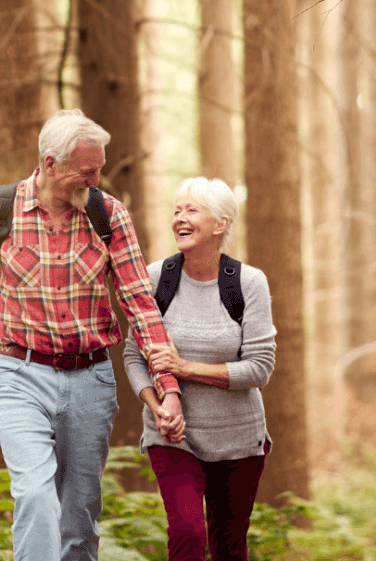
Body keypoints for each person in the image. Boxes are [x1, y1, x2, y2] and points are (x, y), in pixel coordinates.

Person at [0, 109, 185, 561]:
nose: (95, 178)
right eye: (85, 171)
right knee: (34, 495)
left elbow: (141, 306)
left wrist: (168, 388)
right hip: (19, 374)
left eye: (98, 168)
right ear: (50, 164)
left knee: (79, 516)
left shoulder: (108, 215)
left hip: (91, 380)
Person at [123, 177, 275, 561]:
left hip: (239, 439)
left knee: (229, 548)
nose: (179, 219)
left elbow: (259, 368)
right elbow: (133, 354)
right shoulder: (158, 278)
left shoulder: (248, 283)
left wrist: (184, 367)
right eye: (176, 210)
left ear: (221, 223)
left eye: (191, 210)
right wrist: (156, 406)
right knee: (188, 534)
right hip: (174, 436)